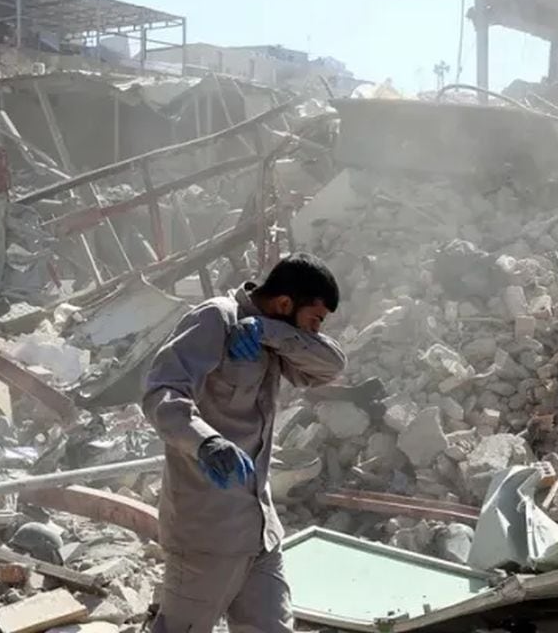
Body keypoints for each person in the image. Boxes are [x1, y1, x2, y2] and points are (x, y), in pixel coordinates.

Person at [143, 253, 384, 633]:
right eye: (314, 319)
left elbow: (331, 365)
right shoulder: (214, 319)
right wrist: (206, 442)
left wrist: (267, 332)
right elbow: (161, 393)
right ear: (285, 304)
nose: (314, 331)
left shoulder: (272, 335)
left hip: (260, 531)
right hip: (207, 534)